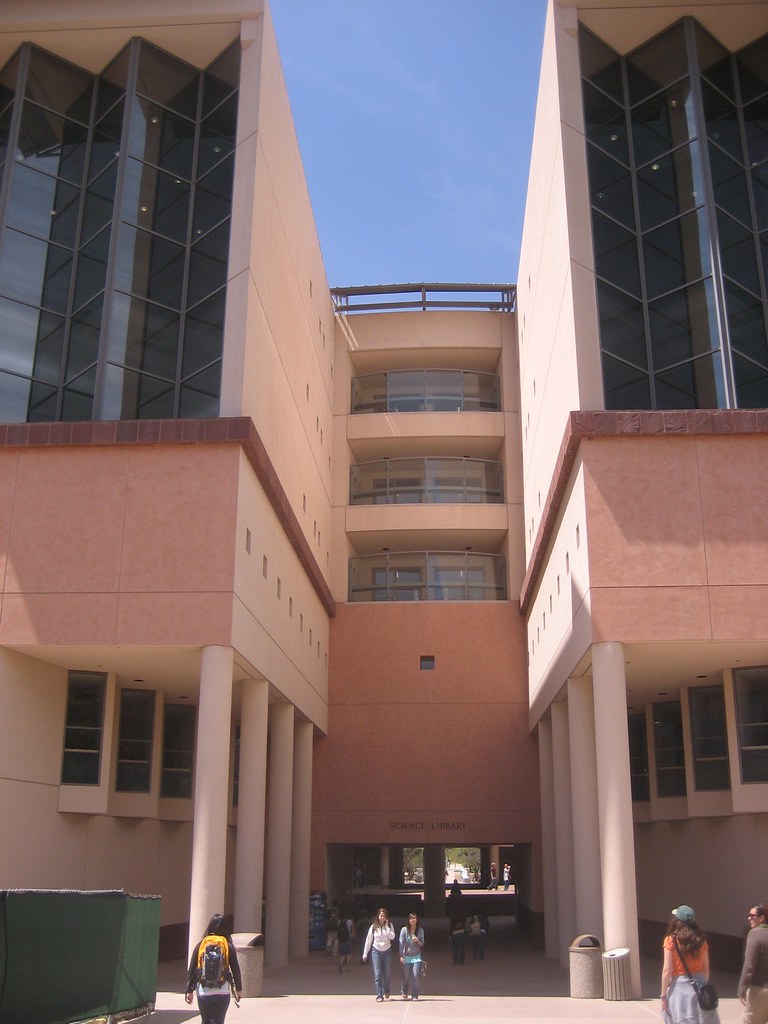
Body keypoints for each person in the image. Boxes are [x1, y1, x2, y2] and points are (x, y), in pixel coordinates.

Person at [660, 905, 720, 1024]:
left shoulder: (670, 940)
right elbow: (706, 969)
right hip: (700, 985)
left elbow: (667, 970)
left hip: (679, 989)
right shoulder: (701, 940)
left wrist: (663, 995)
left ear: (677, 921)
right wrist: (702, 986)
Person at [185, 913, 243, 1024]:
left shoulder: (201, 944)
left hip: (203, 992)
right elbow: (235, 969)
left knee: (206, 1021)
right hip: (222, 991)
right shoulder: (228, 946)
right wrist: (239, 989)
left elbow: (191, 969)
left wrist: (189, 991)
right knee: (218, 1021)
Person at [738, 904, 768, 1023]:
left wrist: (742, 988)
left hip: (760, 989)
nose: (749, 918)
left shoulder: (755, 934)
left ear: (761, 918)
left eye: (752, 916)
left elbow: (749, 966)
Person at [362, 907, 396, 1001]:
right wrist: (365, 953)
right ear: (378, 916)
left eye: (384, 916)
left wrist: (387, 928)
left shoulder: (390, 925)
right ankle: (379, 995)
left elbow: (392, 937)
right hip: (376, 951)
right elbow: (368, 940)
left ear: (386, 917)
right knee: (378, 974)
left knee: (387, 974)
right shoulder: (373, 927)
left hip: (387, 952)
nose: (382, 918)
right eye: (381, 916)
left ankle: (387, 989)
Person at [399, 912, 425, 999]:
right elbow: (401, 943)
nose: (412, 920)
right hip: (406, 956)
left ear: (417, 920)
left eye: (414, 918)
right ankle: (404, 990)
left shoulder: (420, 930)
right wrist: (401, 956)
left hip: (416, 957)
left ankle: (415, 995)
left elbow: (422, 944)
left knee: (415, 976)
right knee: (406, 976)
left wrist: (417, 941)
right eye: (411, 918)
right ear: (408, 920)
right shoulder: (404, 930)